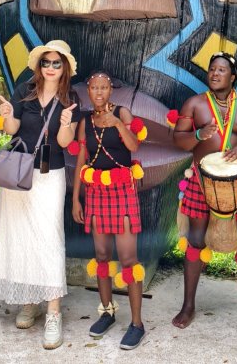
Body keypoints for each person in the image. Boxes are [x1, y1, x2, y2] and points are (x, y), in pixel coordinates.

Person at [0, 38, 80, 351]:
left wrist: (66, 123)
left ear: (64, 67)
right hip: (20, 172)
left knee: (49, 237)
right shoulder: (24, 90)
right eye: (46, 62)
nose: (50, 67)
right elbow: (11, 130)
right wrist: (8, 114)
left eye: (56, 62)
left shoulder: (71, 97)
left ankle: (53, 312)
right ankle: (28, 301)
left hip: (50, 176)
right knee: (21, 236)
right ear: (39, 66)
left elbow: (65, 143)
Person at [171, 52, 237, 333]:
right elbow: (178, 140)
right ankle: (188, 306)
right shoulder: (194, 104)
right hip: (200, 181)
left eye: (222, 70)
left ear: (233, 77)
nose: (215, 74)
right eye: (212, 69)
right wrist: (196, 136)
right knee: (195, 241)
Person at [72, 71, 147, 350]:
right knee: (102, 256)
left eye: (104, 88)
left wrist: (117, 123)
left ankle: (137, 324)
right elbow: (81, 159)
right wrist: (76, 199)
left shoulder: (123, 113)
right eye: (94, 88)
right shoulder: (85, 122)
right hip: (95, 194)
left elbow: (133, 145)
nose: (99, 92)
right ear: (88, 92)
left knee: (129, 259)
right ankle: (107, 312)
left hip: (123, 193)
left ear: (111, 90)